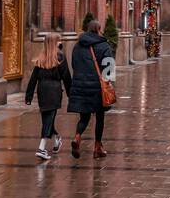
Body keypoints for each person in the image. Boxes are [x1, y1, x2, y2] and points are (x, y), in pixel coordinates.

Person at [68, 18, 115, 160]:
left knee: (84, 117)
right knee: (100, 118)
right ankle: (97, 148)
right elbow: (109, 68)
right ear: (99, 29)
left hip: (81, 85)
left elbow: (74, 65)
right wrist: (109, 82)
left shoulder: (77, 45)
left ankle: (77, 137)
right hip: (97, 88)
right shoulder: (104, 45)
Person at [24, 33, 71, 161]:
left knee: (47, 119)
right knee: (48, 119)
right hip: (54, 92)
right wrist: (71, 94)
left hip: (42, 91)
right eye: (58, 40)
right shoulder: (60, 56)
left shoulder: (41, 57)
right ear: (55, 42)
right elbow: (66, 76)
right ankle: (41, 148)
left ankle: (56, 140)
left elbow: (33, 79)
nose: (60, 42)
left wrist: (29, 95)